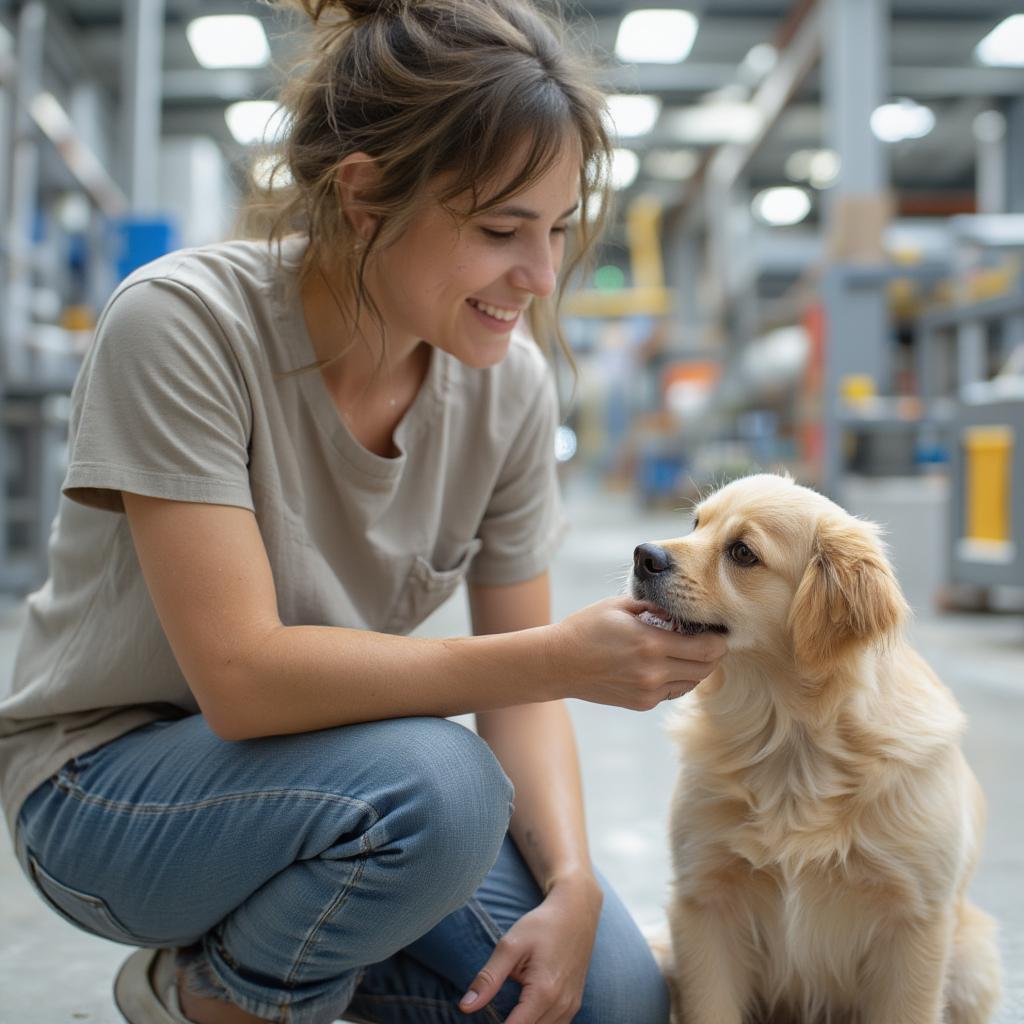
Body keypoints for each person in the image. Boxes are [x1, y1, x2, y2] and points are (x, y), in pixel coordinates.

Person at [0, 1, 726, 1022]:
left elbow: (520, 683)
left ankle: (283, 974)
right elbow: (244, 681)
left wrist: (570, 880)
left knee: (603, 995)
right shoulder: (183, 326)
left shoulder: (507, 387)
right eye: (499, 229)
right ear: (364, 196)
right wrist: (561, 658)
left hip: (334, 791)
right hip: (108, 796)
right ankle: (220, 995)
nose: (541, 276)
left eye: (556, 230)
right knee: (441, 784)